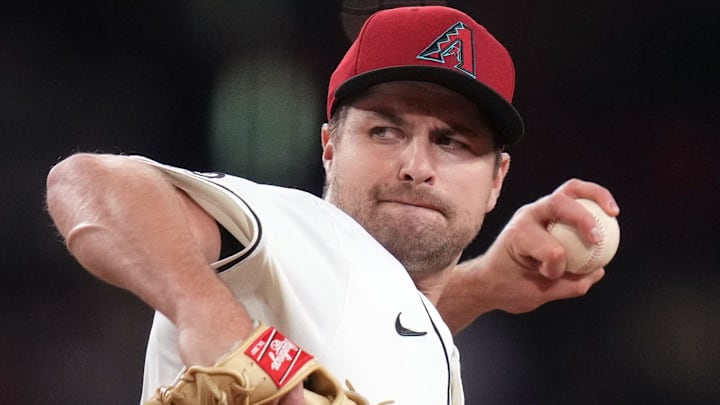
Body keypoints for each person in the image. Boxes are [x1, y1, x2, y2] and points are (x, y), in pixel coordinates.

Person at [45, 6, 618, 405]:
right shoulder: (307, 231)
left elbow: (372, 328)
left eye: (452, 141)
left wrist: (487, 283)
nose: (417, 165)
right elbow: (88, 181)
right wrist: (211, 318)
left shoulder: (408, 322)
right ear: (329, 149)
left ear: (497, 181)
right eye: (385, 131)